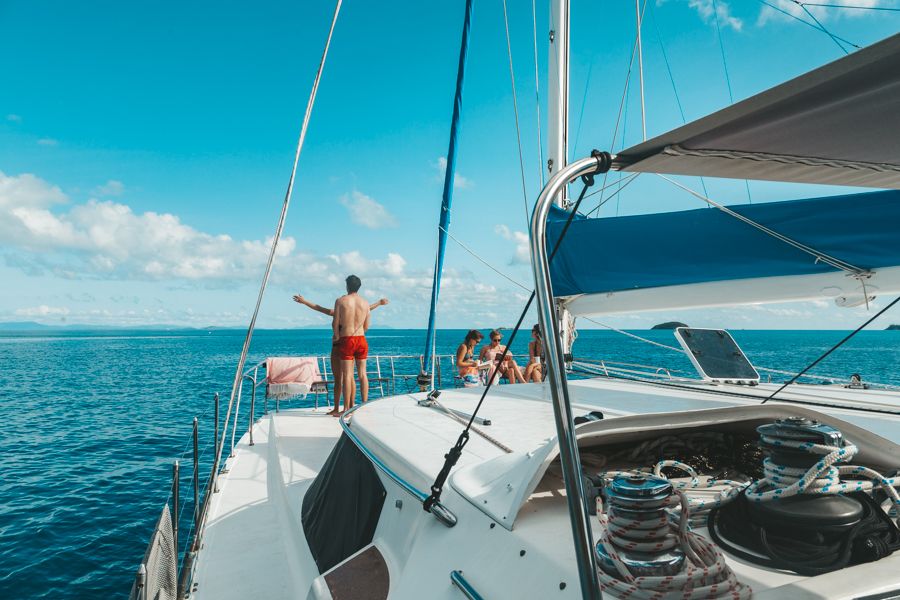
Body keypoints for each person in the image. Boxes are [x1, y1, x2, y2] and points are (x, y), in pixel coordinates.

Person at [292, 291, 388, 415]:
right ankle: (348, 406)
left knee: (340, 378)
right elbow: (367, 309)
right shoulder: (349, 311)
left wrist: (305, 302)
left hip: (339, 344)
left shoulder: (337, 312)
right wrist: (379, 303)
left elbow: (319, 308)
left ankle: (340, 408)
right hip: (350, 342)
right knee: (350, 377)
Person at [332, 274, 372, 415]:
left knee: (348, 375)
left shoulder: (341, 301)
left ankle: (347, 409)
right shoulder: (365, 303)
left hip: (347, 339)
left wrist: (337, 336)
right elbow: (367, 325)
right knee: (363, 374)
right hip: (361, 338)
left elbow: (335, 323)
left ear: (347, 286)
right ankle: (365, 405)